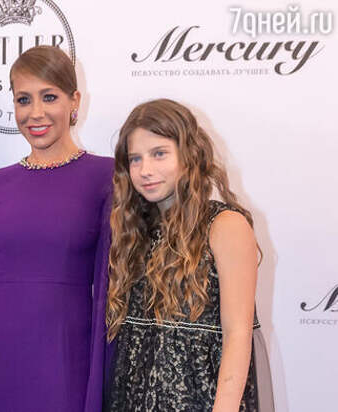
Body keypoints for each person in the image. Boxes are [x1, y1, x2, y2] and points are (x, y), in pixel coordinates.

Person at [0, 45, 113, 412]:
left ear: (74, 101)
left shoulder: (106, 178)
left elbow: (114, 285)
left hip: (68, 349)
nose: (35, 113)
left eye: (49, 97)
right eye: (23, 99)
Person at [106, 99, 273, 411]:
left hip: (204, 399)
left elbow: (238, 334)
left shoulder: (225, 226)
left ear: (189, 154)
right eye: (135, 159)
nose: (145, 170)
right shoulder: (133, 231)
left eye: (159, 154)